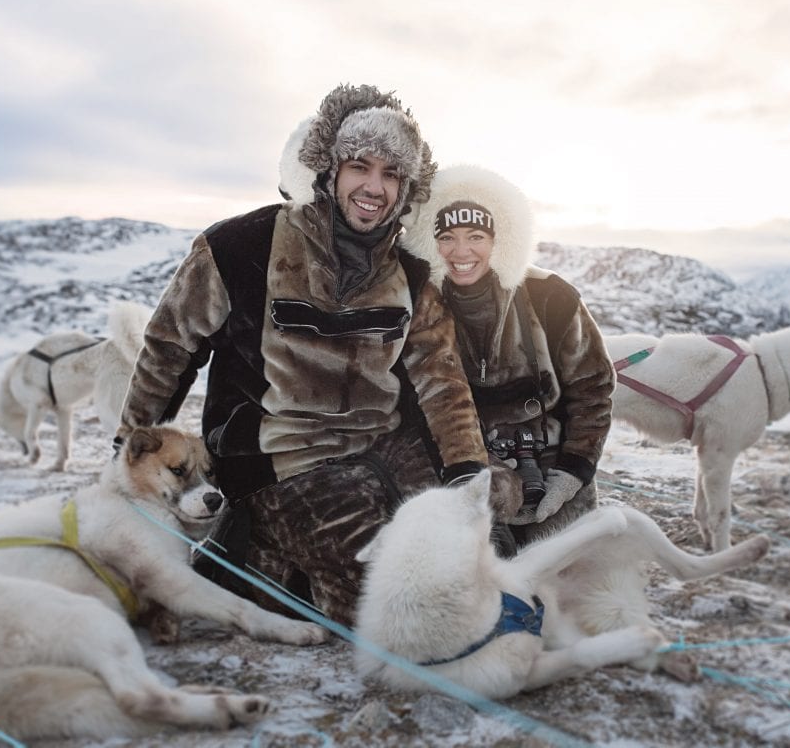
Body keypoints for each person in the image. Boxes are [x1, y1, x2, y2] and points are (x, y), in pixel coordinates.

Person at [118, 85, 521, 625]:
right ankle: (254, 549)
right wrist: (129, 451)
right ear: (329, 167)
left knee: (480, 543)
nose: (374, 187)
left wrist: (469, 473)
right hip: (280, 457)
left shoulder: (412, 275)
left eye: (392, 174)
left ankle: (280, 565)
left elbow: (442, 384)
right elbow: (169, 349)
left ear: (407, 190)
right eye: (360, 166)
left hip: (383, 443)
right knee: (389, 595)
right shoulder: (241, 248)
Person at [399, 165, 615, 553]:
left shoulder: (551, 298)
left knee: (567, 573)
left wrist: (573, 469)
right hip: (460, 466)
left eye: (476, 236)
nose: (461, 252)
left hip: (551, 461)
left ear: (499, 240)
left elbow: (593, 388)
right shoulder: (417, 305)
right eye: (446, 237)